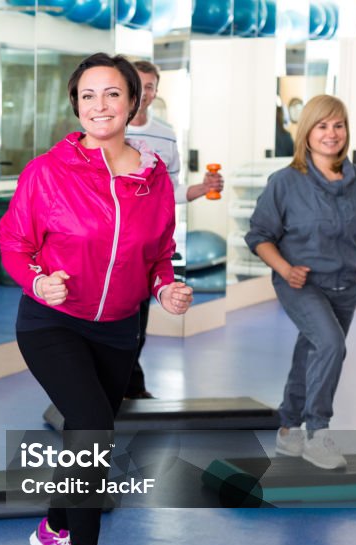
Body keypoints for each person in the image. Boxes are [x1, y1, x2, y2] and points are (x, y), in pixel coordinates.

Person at [0, 53, 193, 545]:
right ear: (75, 104)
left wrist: (166, 290)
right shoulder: (47, 172)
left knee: (92, 433)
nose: (99, 106)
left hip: (118, 329)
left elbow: (158, 254)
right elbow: (14, 243)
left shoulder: (153, 175)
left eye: (111, 94)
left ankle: (55, 525)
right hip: (52, 321)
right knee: (92, 428)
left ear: (134, 102)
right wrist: (38, 281)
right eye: (88, 95)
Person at [245, 95, 356, 470]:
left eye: (338, 125)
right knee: (331, 344)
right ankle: (318, 432)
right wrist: (284, 269)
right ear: (307, 132)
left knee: (313, 350)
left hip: (347, 282)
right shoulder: (284, 181)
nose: (331, 134)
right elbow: (260, 235)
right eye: (322, 125)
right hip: (301, 283)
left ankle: (287, 429)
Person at [123, 60, 224, 400]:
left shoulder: (165, 134)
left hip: (149, 243)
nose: (144, 92)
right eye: (138, 84)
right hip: (111, 242)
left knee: (138, 322)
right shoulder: (106, 129)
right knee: (110, 320)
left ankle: (131, 385)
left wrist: (202, 187)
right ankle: (113, 386)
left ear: (156, 91)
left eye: (150, 86)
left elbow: (171, 189)